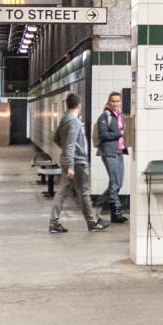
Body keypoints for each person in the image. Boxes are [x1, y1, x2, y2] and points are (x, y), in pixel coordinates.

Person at [49, 91, 103, 233]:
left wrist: (67, 156)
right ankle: (91, 222)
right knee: (84, 192)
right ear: (79, 105)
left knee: (62, 192)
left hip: (69, 161)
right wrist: (71, 164)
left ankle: (54, 223)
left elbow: (56, 139)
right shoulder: (75, 123)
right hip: (77, 163)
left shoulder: (63, 120)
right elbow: (71, 144)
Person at [94, 91, 128, 224]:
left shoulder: (120, 115)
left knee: (119, 183)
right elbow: (103, 135)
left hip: (119, 151)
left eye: (117, 101)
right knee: (114, 183)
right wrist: (119, 133)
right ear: (109, 102)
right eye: (112, 101)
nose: (115, 104)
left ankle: (99, 204)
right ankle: (116, 211)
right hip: (108, 152)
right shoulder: (105, 116)